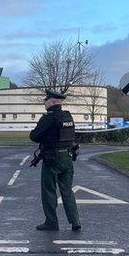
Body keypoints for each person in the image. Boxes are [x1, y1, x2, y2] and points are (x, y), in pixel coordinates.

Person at [29, 89, 81, 231]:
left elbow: (34, 136)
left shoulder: (49, 118)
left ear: (52, 102)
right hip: (67, 159)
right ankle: (75, 221)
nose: (44, 103)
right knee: (67, 191)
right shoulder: (68, 117)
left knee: (49, 191)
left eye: (46, 100)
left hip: (52, 159)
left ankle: (51, 222)